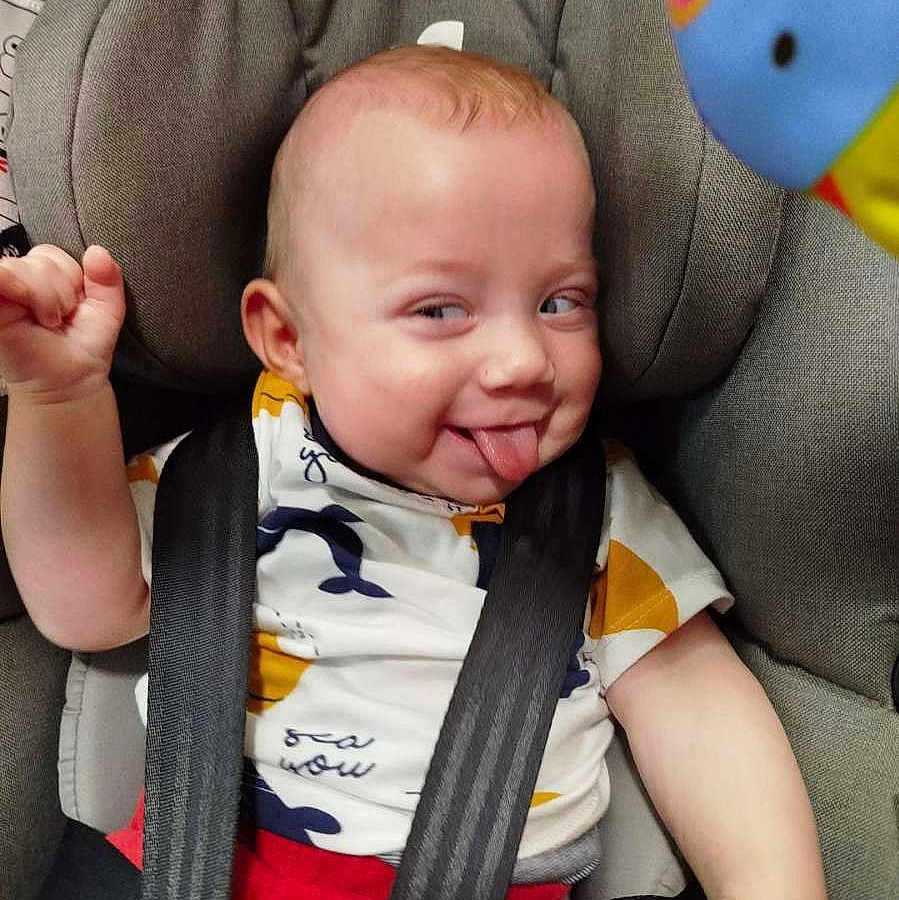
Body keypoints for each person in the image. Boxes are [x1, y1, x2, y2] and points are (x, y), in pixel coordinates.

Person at [0, 46, 825, 900]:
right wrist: (58, 399)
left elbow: (696, 705)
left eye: (560, 302)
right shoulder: (231, 473)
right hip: (202, 860)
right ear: (289, 339)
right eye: (439, 309)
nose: (522, 360)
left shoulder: (598, 510)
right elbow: (85, 608)